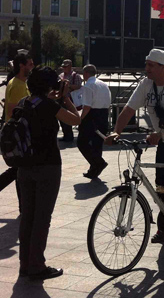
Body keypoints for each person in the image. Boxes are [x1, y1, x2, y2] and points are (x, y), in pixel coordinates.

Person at [106, 49, 164, 243]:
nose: (146, 68)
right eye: (146, 64)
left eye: (150, 65)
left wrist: (161, 134)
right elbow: (128, 109)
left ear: (163, 67)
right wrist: (117, 131)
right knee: (161, 186)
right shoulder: (146, 85)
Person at [18, 66, 80, 280]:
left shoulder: (25, 103)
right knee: (42, 217)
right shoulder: (50, 106)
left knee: (27, 216)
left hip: (24, 167)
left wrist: (52, 98)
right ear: (50, 85)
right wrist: (65, 99)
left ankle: (25, 264)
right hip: (48, 167)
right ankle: (37, 265)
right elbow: (75, 120)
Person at [0, 54, 34, 211]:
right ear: (21, 66)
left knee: (20, 171)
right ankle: (24, 207)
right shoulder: (18, 84)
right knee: (18, 170)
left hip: (19, 133)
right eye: (30, 64)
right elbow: (14, 110)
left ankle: (24, 207)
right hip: (17, 134)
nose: (32, 66)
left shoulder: (21, 83)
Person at [78, 65, 112, 179]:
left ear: (86, 73)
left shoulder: (88, 85)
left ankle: (98, 162)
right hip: (103, 115)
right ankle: (94, 169)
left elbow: (87, 106)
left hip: (92, 115)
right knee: (97, 144)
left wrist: (80, 120)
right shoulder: (104, 84)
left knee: (82, 142)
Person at [58, 59, 82, 142]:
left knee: (68, 117)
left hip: (70, 99)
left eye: (66, 66)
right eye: (63, 66)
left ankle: (69, 136)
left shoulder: (75, 75)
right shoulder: (61, 75)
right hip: (61, 99)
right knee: (62, 118)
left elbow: (79, 86)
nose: (64, 68)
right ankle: (65, 134)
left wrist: (68, 86)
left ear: (70, 66)